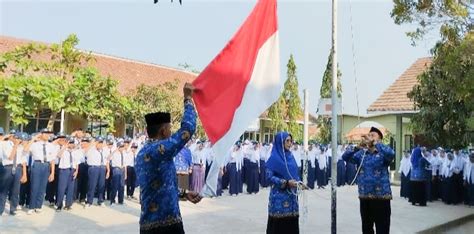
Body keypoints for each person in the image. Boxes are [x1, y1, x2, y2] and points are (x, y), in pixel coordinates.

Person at [135, 83, 202, 234]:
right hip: (166, 226)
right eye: (170, 129)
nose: (171, 132)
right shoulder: (159, 150)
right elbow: (187, 130)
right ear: (164, 131)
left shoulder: (142, 152)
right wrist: (188, 99)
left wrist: (183, 193)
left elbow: (158, 185)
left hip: (147, 225)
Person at [342, 127, 395, 234]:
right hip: (365, 197)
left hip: (381, 197)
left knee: (382, 228)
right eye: (368, 135)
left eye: (372, 135)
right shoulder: (361, 154)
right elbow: (345, 157)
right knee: (366, 227)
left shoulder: (383, 154)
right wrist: (357, 147)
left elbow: (391, 154)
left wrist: (375, 143)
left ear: (379, 140)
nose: (369, 137)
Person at [266, 132, 301, 234]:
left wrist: (299, 183)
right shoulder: (274, 158)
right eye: (287, 141)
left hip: (292, 199)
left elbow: (294, 174)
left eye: (291, 141)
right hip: (279, 200)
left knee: (291, 226)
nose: (290, 143)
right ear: (280, 142)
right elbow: (268, 177)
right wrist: (285, 183)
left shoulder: (290, 156)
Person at [27, 128, 56, 215]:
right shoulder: (35, 144)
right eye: (45, 133)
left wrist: (52, 172)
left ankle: (38, 206)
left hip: (46, 166)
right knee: (34, 186)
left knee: (42, 187)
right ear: (41, 134)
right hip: (37, 165)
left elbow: (52, 160)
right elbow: (25, 149)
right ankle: (31, 206)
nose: (47, 135)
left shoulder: (51, 146)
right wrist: (33, 138)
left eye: (48, 134)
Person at [0, 132, 28, 216]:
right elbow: (10, 157)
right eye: (18, 139)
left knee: (16, 190)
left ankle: (13, 209)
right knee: (3, 191)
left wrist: (24, 174)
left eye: (20, 140)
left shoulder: (20, 146)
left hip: (18, 168)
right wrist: (15, 145)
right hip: (7, 168)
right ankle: (1, 209)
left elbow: (23, 161)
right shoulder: (4, 144)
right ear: (13, 137)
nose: (19, 141)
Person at [85, 136, 110, 207]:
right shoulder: (91, 150)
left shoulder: (104, 150)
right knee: (92, 185)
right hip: (93, 168)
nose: (101, 144)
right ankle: (89, 201)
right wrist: (93, 143)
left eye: (101, 143)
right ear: (96, 143)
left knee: (101, 185)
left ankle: (100, 200)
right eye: (99, 143)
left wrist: (108, 170)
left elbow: (107, 160)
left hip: (102, 168)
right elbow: (86, 152)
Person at [55, 137, 79, 211]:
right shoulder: (63, 149)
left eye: (72, 143)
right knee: (61, 188)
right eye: (70, 143)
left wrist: (76, 171)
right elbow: (58, 155)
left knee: (70, 188)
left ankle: (68, 204)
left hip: (72, 170)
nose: (71, 145)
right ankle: (59, 205)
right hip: (64, 170)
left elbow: (76, 162)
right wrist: (65, 146)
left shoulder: (75, 151)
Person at [110, 141, 127, 206]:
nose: (122, 148)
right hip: (116, 169)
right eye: (120, 147)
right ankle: (112, 201)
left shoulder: (124, 153)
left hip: (122, 169)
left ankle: (121, 200)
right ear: (118, 147)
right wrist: (114, 151)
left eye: (123, 146)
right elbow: (108, 158)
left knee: (122, 186)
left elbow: (125, 164)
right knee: (115, 185)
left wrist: (125, 173)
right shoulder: (114, 153)